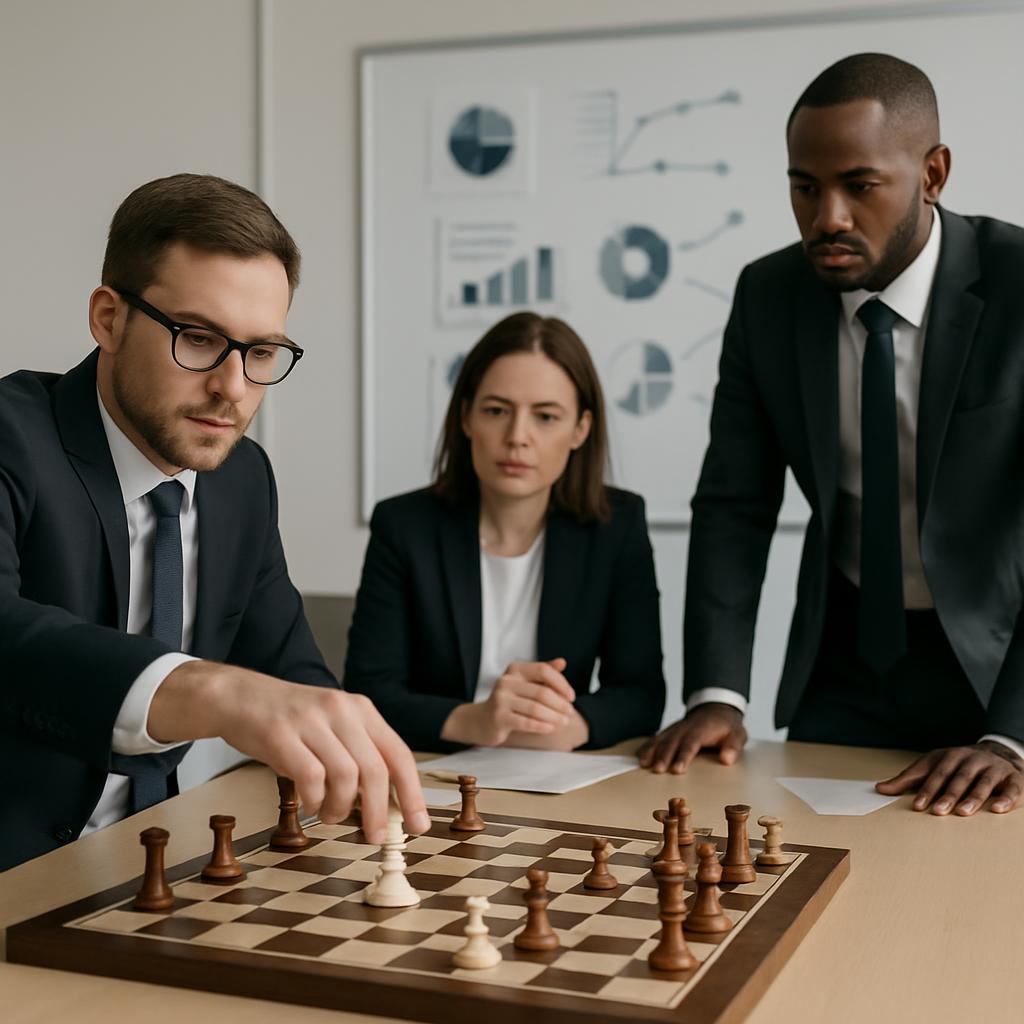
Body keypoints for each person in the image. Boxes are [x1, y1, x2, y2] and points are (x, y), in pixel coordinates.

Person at [0, 174, 428, 871]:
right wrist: (215, 690)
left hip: (161, 866)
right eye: (198, 338)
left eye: (261, 353)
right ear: (109, 318)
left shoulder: (241, 479)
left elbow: (287, 669)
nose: (232, 387)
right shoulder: (13, 436)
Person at [639, 53, 1024, 817]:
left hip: (999, 662)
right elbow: (734, 504)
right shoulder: (769, 296)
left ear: (933, 174)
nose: (828, 219)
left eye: (859, 185)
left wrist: (1013, 736)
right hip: (846, 657)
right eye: (804, 188)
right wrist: (718, 692)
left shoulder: (1018, 287)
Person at [344, 312, 665, 752]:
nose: (517, 437)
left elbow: (641, 693)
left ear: (580, 429)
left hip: (558, 772)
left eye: (546, 417)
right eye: (496, 411)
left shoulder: (617, 525)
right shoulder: (403, 526)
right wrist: (472, 720)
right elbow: (368, 692)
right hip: (435, 768)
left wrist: (574, 727)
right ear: (466, 418)